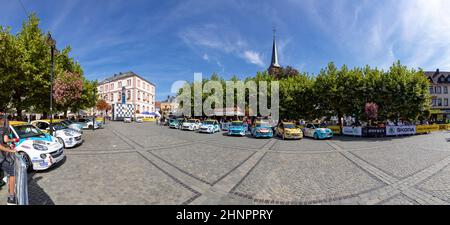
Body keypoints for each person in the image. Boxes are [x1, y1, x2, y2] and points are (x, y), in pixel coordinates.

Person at [0, 117, 18, 205]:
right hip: (1, 158)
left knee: (10, 171)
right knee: (12, 172)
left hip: (2, 158)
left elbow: (4, 141)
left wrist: (9, 144)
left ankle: (11, 195)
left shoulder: (2, 129)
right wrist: (11, 150)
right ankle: (11, 198)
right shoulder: (4, 129)